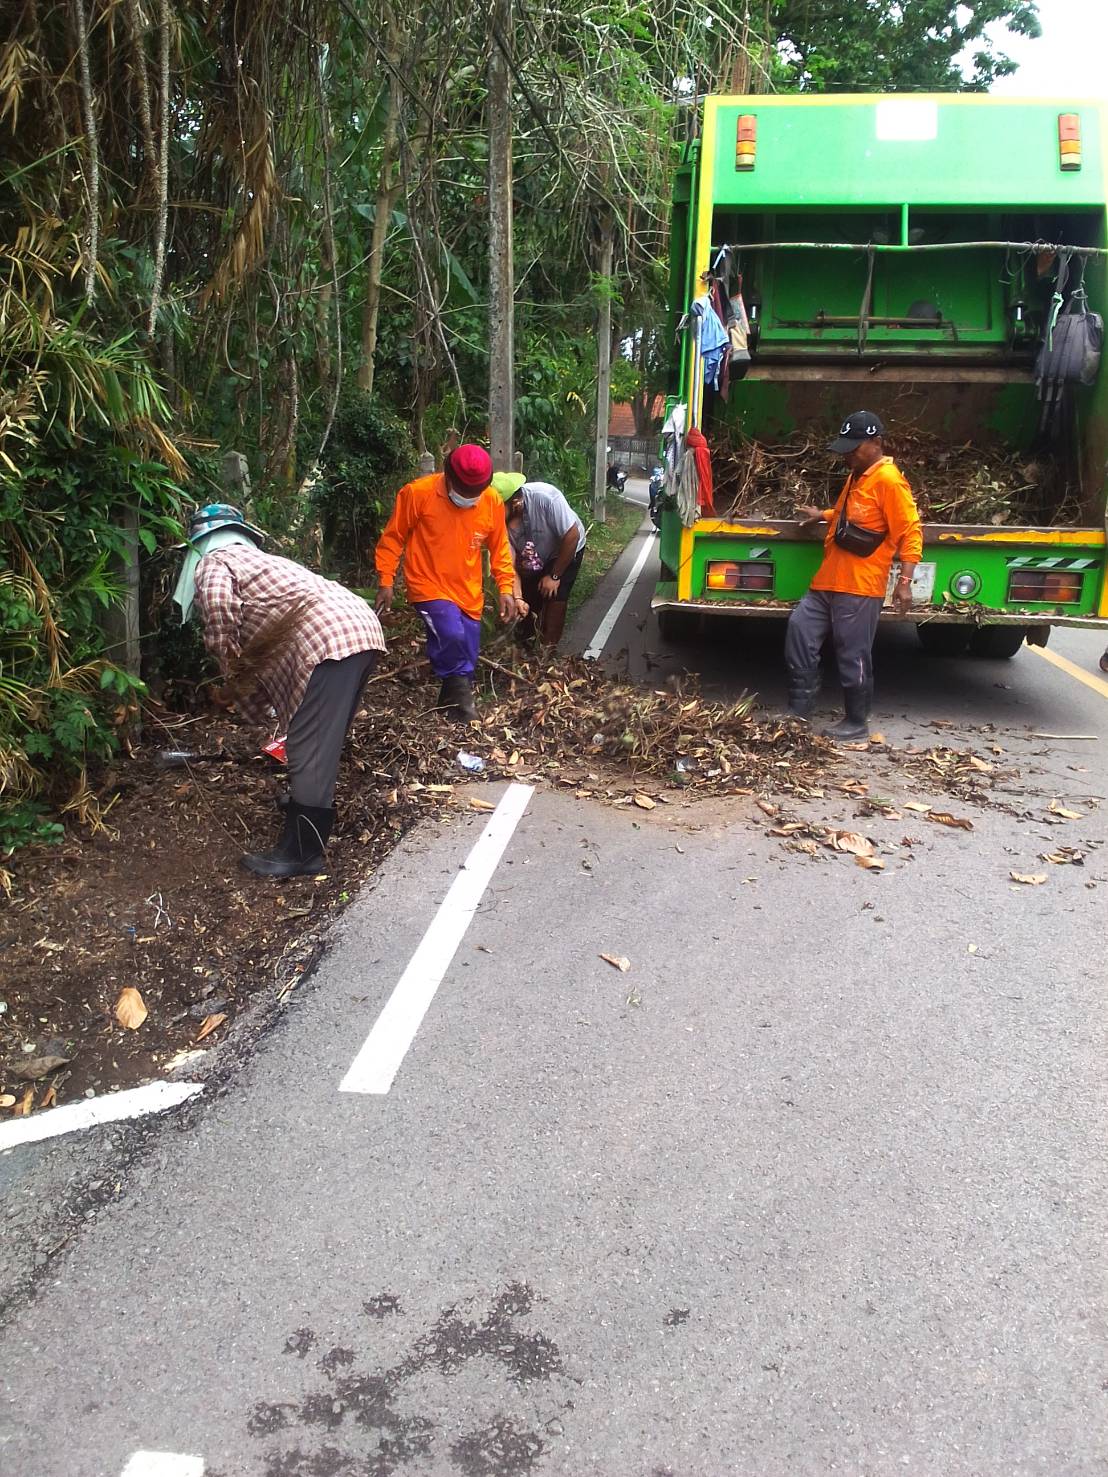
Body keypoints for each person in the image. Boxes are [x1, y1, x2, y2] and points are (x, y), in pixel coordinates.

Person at [175, 503, 386, 878]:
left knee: (308, 747)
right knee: (318, 737)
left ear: (199, 544)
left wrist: (230, 676)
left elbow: (220, 611)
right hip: (359, 626)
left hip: (329, 637)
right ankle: (307, 807)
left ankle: (304, 852)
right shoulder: (261, 562)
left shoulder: (214, 563)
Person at [785, 410, 922, 741]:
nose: (847, 454)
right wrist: (824, 514)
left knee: (852, 652)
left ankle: (856, 722)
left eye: (854, 447)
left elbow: (911, 531)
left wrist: (904, 583)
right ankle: (798, 713)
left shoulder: (889, 480)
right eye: (845, 448)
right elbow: (855, 514)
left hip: (860, 587)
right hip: (828, 580)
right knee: (799, 629)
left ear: (875, 442)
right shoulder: (858, 475)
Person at [374, 443, 516, 720]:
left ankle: (447, 708)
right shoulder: (418, 494)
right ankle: (464, 710)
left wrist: (506, 587)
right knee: (450, 634)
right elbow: (393, 538)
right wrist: (386, 580)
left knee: (467, 652)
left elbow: (500, 547)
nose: (469, 498)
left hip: (468, 591)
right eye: (464, 492)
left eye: (475, 493)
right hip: (428, 584)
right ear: (448, 477)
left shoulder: (491, 501)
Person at [492, 474, 586, 648]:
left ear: (516, 503)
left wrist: (555, 576)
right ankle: (525, 651)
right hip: (531, 555)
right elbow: (509, 565)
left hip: (564, 548)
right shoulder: (500, 522)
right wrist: (518, 597)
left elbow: (572, 536)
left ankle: (548, 652)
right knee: (527, 604)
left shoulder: (546, 498)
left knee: (554, 596)